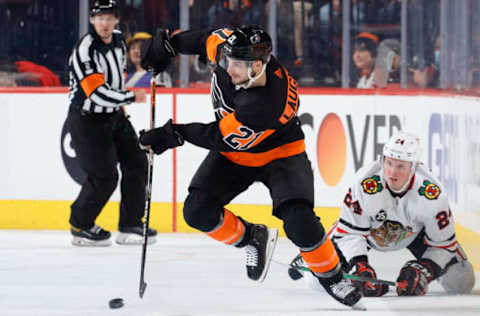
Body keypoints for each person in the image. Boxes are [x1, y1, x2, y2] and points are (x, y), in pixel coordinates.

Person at [139, 25, 363, 308]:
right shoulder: (228, 50)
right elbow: (205, 39)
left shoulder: (265, 103)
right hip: (236, 155)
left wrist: (175, 133)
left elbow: (219, 137)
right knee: (197, 211)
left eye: (237, 65)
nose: (228, 69)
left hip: (281, 154)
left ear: (258, 66)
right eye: (228, 61)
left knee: (299, 222)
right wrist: (168, 47)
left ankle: (332, 277)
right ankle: (253, 238)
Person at [288, 132, 475, 297]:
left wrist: (424, 270)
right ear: (382, 160)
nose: (392, 172)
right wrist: (359, 265)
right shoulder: (364, 184)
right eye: (389, 163)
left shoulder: (432, 195)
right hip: (366, 234)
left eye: (400, 166)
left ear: (414, 167)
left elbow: (443, 246)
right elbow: (350, 233)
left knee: (462, 281)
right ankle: (312, 253)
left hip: (415, 236)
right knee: (316, 283)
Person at [66, 0, 157, 246]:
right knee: (104, 176)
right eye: (100, 18)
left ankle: (130, 225)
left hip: (115, 115)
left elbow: (115, 80)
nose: (104, 23)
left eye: (109, 17)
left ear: (117, 20)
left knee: (138, 162)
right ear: (92, 20)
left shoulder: (118, 40)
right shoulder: (85, 50)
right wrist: (130, 96)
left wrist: (123, 109)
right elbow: (95, 93)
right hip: (87, 120)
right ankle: (81, 225)